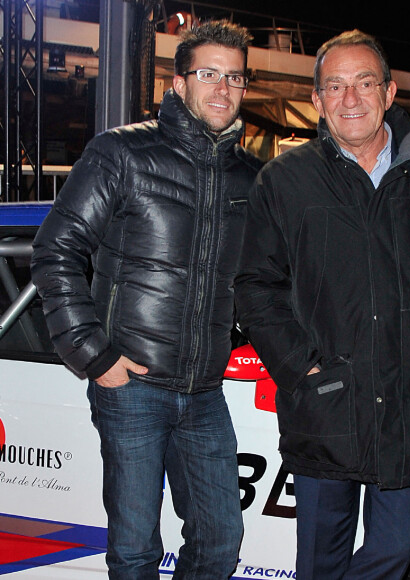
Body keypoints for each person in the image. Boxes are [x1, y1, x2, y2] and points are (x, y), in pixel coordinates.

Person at [234, 30, 410, 580]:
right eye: (334, 86)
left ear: (389, 92)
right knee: (319, 562)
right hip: (326, 403)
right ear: (317, 100)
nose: (350, 98)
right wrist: (302, 368)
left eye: (364, 83)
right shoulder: (285, 181)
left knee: (392, 552)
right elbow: (255, 285)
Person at [31, 20, 261, 579]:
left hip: (205, 391)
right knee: (135, 552)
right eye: (208, 73)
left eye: (234, 77)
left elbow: (265, 280)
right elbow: (55, 251)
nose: (222, 88)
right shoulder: (122, 152)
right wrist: (95, 355)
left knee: (221, 542)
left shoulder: (253, 178)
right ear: (179, 83)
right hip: (130, 385)